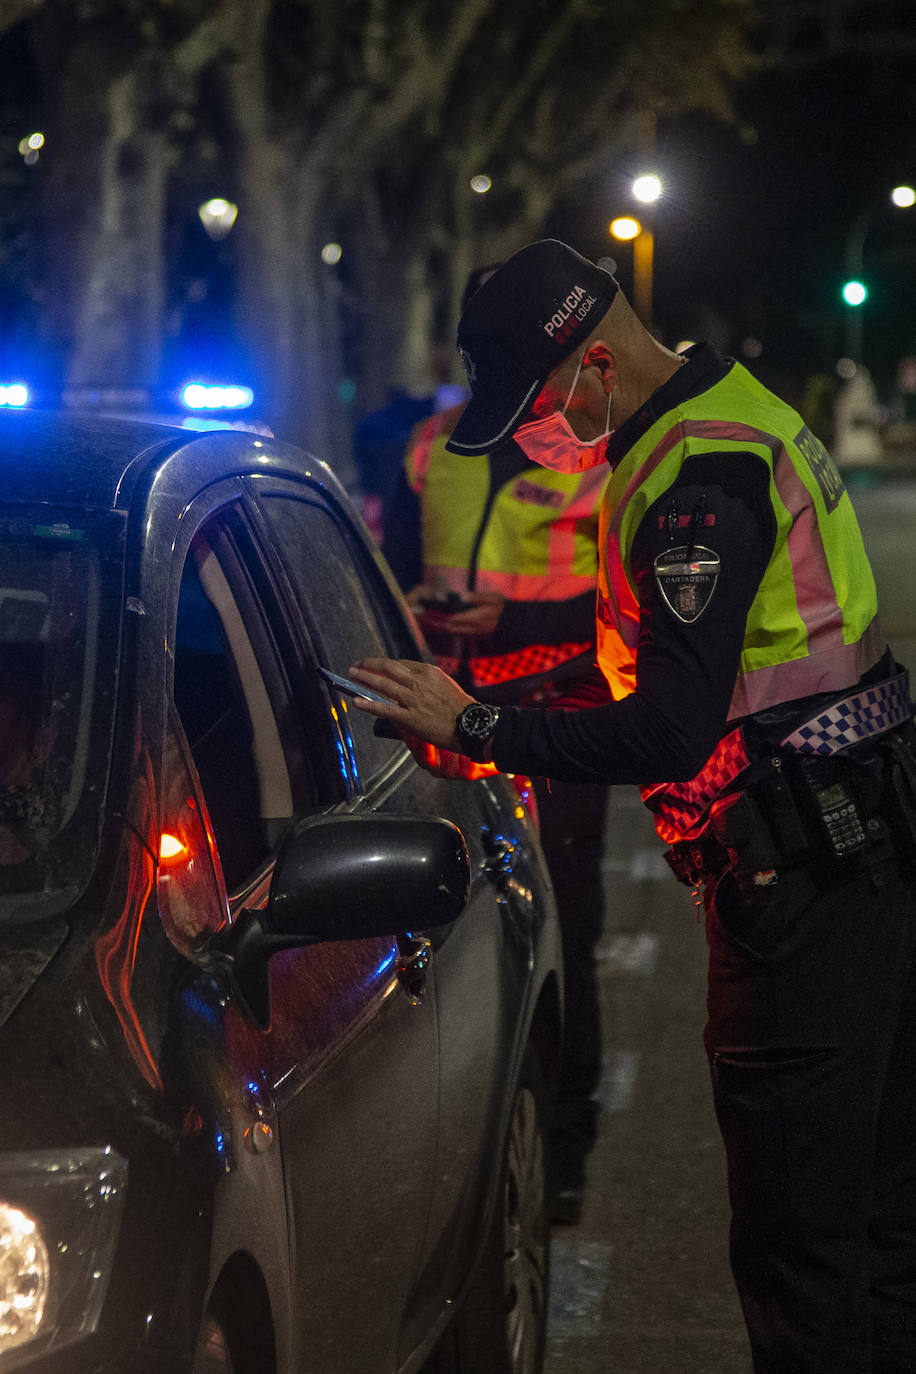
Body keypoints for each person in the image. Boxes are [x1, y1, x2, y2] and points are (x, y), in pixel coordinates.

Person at [347, 239, 916, 1373]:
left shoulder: (696, 478)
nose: (534, 433)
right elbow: (658, 672)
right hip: (861, 846)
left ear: (594, 364)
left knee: (802, 1243)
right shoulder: (723, 415)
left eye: (540, 404)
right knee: (877, 1224)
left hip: (799, 875)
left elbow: (669, 725)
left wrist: (479, 729)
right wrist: (490, 706)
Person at [400, 265, 612, 1225]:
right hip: (445, 707)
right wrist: (407, 604)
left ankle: (562, 1148)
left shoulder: (597, 449)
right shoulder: (428, 446)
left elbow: (630, 588)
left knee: (563, 916)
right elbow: (409, 550)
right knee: (449, 928)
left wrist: (518, 618)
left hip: (561, 703)